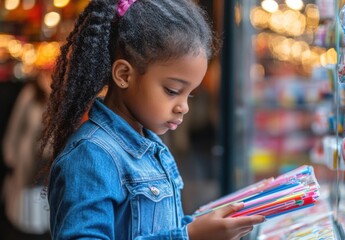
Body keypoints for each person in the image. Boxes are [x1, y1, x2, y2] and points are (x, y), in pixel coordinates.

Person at [39, 0, 265, 239]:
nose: (183, 107)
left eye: (190, 94)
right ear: (124, 75)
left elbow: (160, 229)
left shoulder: (151, 146)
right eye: (172, 90)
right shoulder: (91, 155)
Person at [2, 69, 52, 239]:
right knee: (22, 213)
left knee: (42, 215)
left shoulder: (65, 96)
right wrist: (10, 157)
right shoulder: (31, 92)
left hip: (48, 165)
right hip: (26, 163)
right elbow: (15, 127)